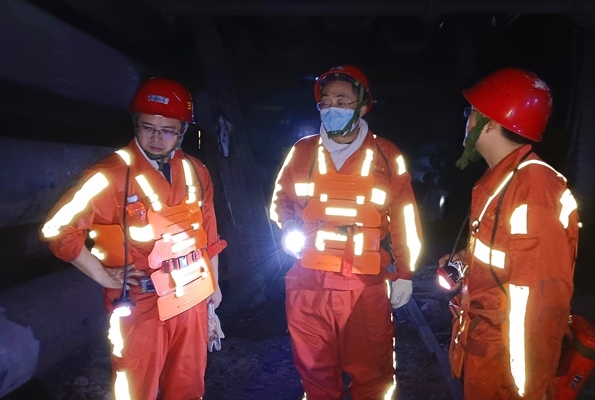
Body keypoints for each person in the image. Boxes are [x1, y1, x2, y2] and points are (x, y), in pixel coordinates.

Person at [41, 77, 226, 400]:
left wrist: (213, 287)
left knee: (188, 387)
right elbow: (58, 230)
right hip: (142, 304)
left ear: (182, 131)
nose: (157, 137)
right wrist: (103, 275)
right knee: (135, 391)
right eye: (148, 127)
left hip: (193, 299)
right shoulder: (110, 175)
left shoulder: (196, 172)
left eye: (167, 130)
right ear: (136, 124)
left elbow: (209, 235)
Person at [269, 65, 423, 400]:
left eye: (342, 101)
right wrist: (289, 225)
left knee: (373, 374)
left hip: (364, 286)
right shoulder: (302, 151)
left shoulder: (387, 155)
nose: (332, 108)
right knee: (315, 375)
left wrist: (405, 272)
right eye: (326, 102)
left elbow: (404, 216)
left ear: (363, 107)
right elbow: (281, 200)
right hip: (308, 284)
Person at [440, 68, 580, 399]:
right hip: (486, 353)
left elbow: (539, 302)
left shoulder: (533, 190)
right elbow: (509, 257)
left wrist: (528, 387)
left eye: (471, 111)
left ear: (489, 123)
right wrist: (467, 261)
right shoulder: (503, 179)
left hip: (507, 370)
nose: (467, 118)